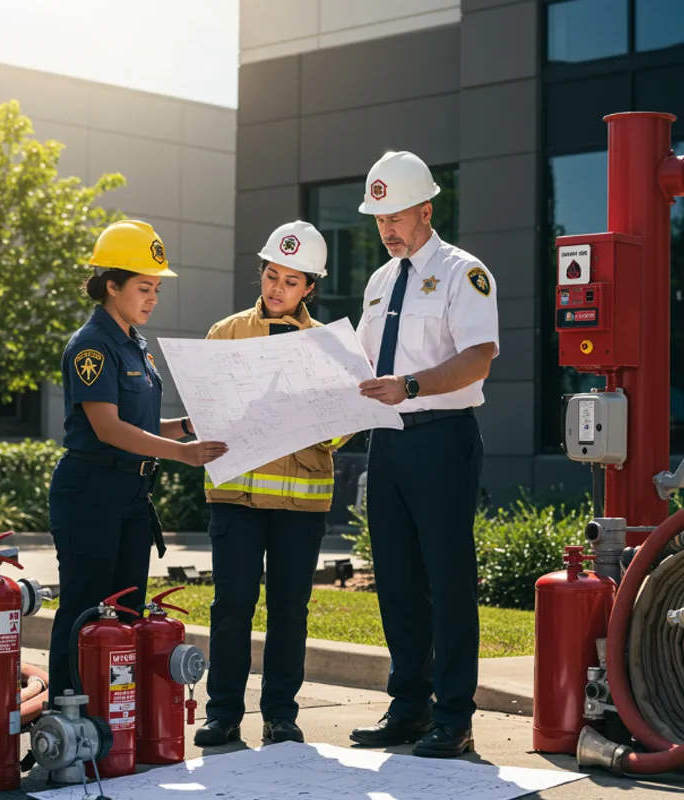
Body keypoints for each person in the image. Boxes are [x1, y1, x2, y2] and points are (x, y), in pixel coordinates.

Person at [349, 151, 499, 758]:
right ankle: (408, 707)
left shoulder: (465, 272)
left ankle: (454, 716)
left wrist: (411, 387)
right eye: (378, 218)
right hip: (386, 440)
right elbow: (361, 365)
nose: (386, 229)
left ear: (426, 210)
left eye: (396, 216)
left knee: (447, 579)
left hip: (441, 436)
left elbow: (478, 355)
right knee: (398, 582)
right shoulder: (381, 281)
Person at [47, 219, 228, 704]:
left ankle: (113, 719)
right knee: (85, 608)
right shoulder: (92, 345)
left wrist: (187, 425)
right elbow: (108, 428)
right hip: (91, 491)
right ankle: (66, 717)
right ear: (112, 286)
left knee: (124, 612)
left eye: (156, 289)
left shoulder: (134, 344)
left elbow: (142, 424)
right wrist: (183, 454)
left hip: (129, 493)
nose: (152, 298)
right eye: (143, 287)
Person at [192, 220, 346, 747]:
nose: (277, 288)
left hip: (300, 506)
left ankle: (281, 714)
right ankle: (223, 714)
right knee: (231, 607)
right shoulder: (224, 333)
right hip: (235, 501)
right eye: (271, 275)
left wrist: (307, 408)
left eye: (291, 280)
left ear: (309, 289)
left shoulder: (328, 347)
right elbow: (203, 410)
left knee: (288, 611)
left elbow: (343, 430)